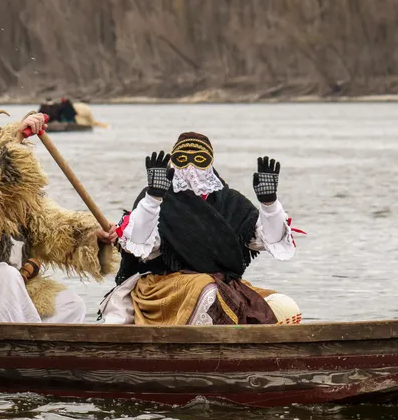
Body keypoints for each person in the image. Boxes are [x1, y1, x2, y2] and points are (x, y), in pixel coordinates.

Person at [0, 111, 118, 323]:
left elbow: (55, 227)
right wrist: (15, 137)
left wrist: (94, 236)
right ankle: (24, 345)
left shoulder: (22, 203)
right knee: (3, 274)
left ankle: (43, 350)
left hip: (19, 290)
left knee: (71, 304)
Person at [100, 131, 301, 325]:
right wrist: (153, 198)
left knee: (284, 306)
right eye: (181, 159)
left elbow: (269, 240)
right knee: (206, 289)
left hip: (223, 285)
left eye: (199, 159)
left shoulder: (230, 201)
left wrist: (269, 204)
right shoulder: (158, 198)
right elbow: (139, 245)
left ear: (210, 163)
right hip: (162, 288)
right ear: (173, 161)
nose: (190, 167)